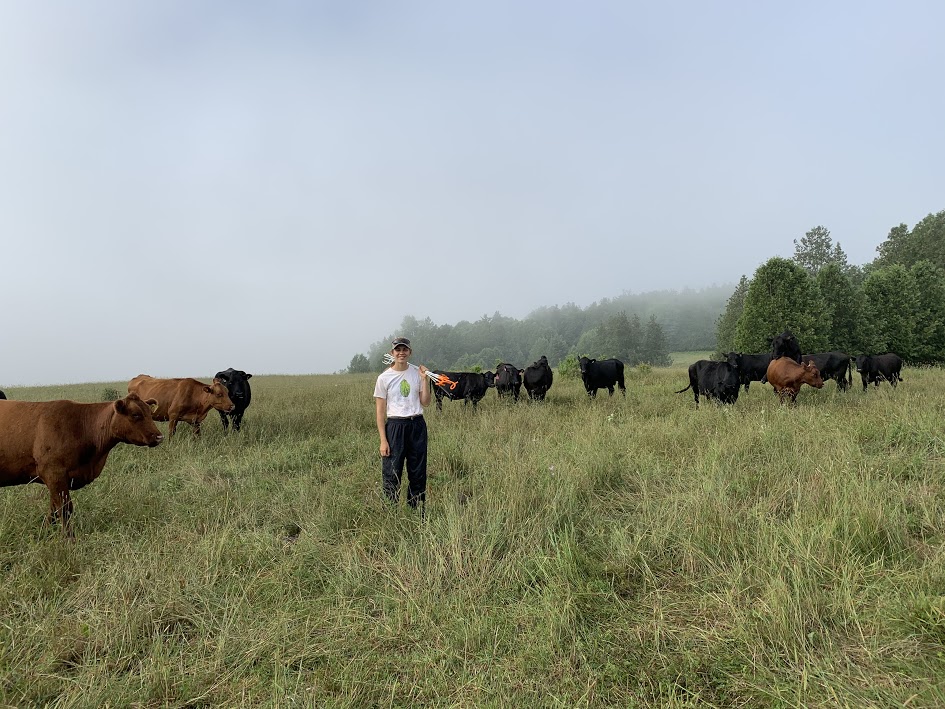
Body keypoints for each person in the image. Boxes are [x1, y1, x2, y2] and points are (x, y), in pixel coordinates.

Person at [373, 337, 431, 510]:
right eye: (398, 350)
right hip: (395, 427)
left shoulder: (417, 373)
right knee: (392, 471)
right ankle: (390, 511)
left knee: (418, 471)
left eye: (404, 349)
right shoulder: (384, 378)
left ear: (410, 352)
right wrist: (383, 440)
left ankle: (416, 509)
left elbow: (426, 402)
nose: (401, 353)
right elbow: (380, 412)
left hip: (417, 425)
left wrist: (424, 380)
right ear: (392, 353)